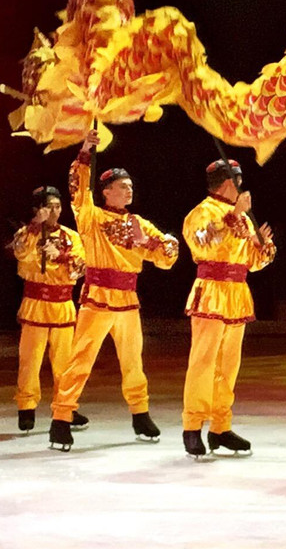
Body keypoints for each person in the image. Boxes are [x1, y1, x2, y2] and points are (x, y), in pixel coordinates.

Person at [49, 129, 180, 450]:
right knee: (81, 359)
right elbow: (78, 192)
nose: (129, 190)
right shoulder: (91, 217)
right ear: (106, 191)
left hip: (128, 301)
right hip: (97, 298)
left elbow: (166, 258)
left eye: (131, 186)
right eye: (123, 187)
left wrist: (150, 242)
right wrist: (84, 154)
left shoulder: (139, 223)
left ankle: (140, 413)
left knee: (133, 360)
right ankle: (61, 418)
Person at [180, 159, 276, 457]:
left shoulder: (244, 219)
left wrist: (263, 247)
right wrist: (233, 215)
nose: (241, 186)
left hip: (237, 291)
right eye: (238, 180)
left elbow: (255, 262)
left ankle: (220, 426)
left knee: (228, 366)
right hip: (211, 290)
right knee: (203, 362)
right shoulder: (202, 212)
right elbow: (202, 243)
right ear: (227, 183)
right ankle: (192, 425)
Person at [11, 186, 87, 434]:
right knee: (30, 360)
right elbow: (20, 252)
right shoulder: (26, 233)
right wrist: (35, 226)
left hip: (63, 304)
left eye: (57, 206)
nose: (54, 211)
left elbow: (82, 267)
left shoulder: (71, 237)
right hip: (36, 304)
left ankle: (65, 407)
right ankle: (26, 406)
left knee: (64, 363)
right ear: (38, 210)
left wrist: (61, 255)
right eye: (49, 207)